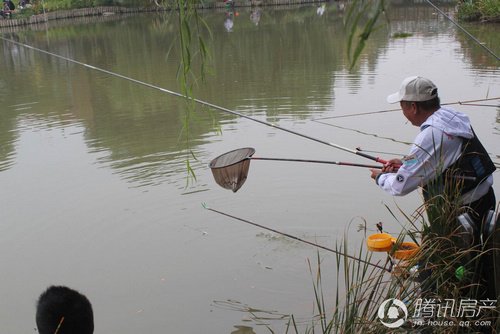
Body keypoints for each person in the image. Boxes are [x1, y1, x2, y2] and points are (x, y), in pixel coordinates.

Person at [369, 76, 498, 298]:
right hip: (485, 199)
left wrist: (380, 177)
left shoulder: (431, 135)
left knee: (440, 269)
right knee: (479, 261)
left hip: (461, 215)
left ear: (413, 106)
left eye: (401, 106)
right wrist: (405, 163)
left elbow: (400, 187)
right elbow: (444, 159)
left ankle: (441, 315)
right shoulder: (452, 117)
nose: (402, 112)